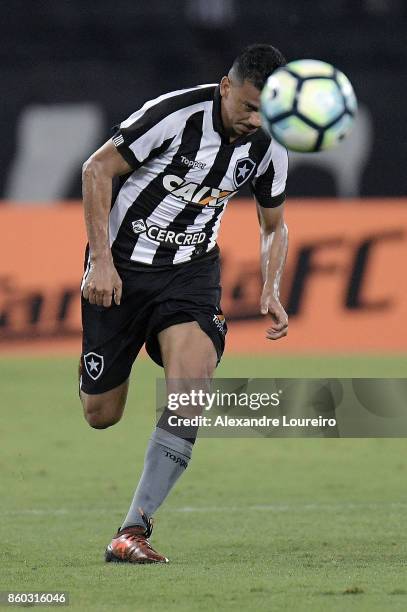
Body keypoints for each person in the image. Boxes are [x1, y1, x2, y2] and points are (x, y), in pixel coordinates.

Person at [79, 43, 289, 564]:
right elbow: (95, 170)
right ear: (225, 87)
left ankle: (133, 530)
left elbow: (273, 225)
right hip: (123, 271)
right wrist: (100, 262)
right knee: (101, 414)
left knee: (190, 390)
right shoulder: (172, 116)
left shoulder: (271, 145)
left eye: (266, 110)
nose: (254, 119)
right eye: (247, 106)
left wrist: (271, 283)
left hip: (191, 275)